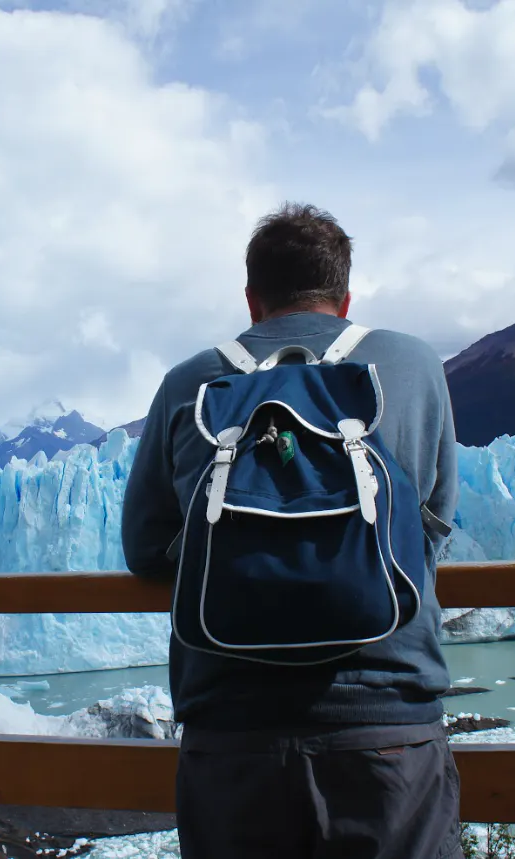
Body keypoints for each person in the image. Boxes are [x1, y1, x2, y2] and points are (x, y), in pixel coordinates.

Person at [121, 202, 463, 859]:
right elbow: (434, 525)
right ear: (345, 298)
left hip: (232, 730)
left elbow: (146, 548)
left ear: (252, 300)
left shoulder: (190, 382)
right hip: (387, 724)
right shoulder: (414, 364)